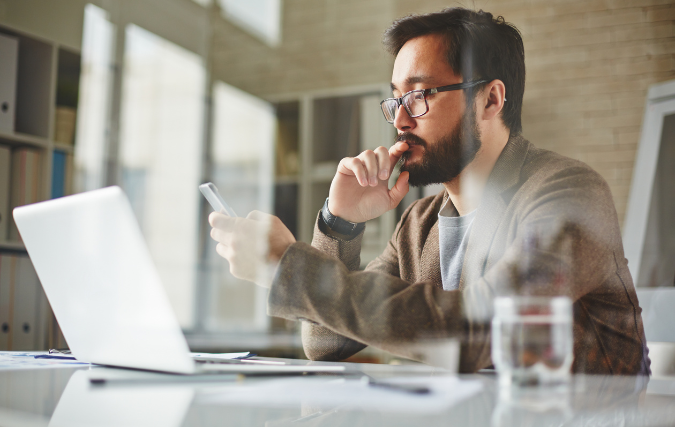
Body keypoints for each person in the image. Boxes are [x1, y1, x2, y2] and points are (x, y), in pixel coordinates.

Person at [208, 8, 650, 375]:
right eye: (396, 99)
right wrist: (339, 224)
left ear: (491, 100)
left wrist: (287, 267)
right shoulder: (419, 224)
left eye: (420, 96)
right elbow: (325, 342)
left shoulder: (570, 195)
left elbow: (478, 332)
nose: (400, 120)